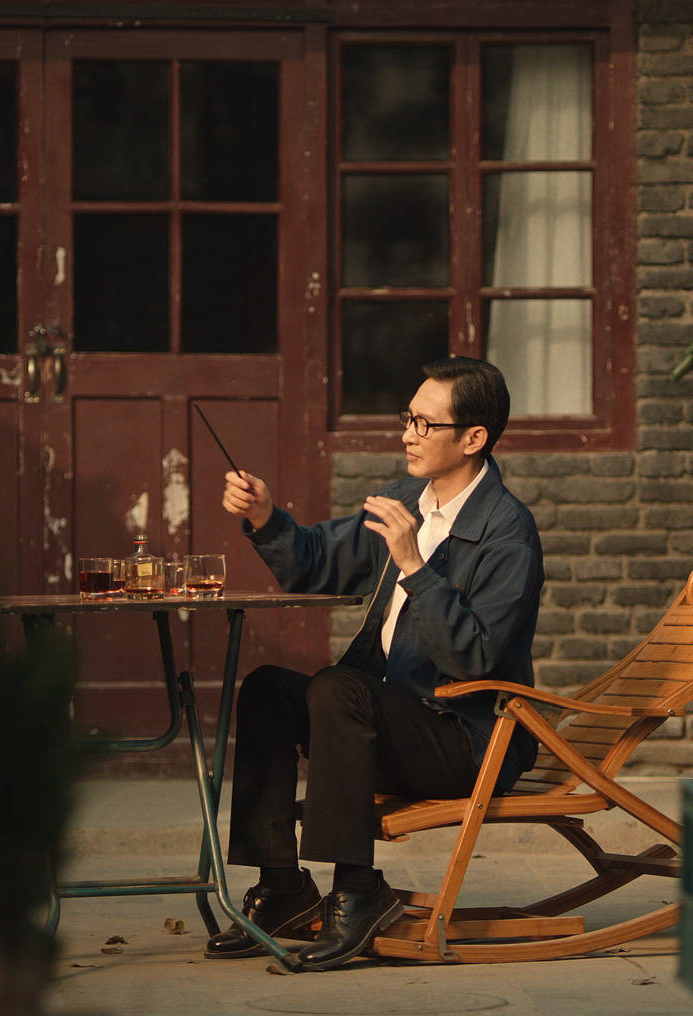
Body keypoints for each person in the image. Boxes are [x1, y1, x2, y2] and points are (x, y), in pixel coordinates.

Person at [206, 356, 544, 972]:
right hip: (389, 723)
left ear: (474, 438)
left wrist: (414, 565)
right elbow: (318, 561)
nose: (408, 434)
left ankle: (359, 891)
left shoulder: (507, 532)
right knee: (268, 690)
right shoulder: (404, 499)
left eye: (425, 424)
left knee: (341, 689)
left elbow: (474, 656)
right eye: (408, 418)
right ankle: (282, 886)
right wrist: (263, 516)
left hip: (467, 740)